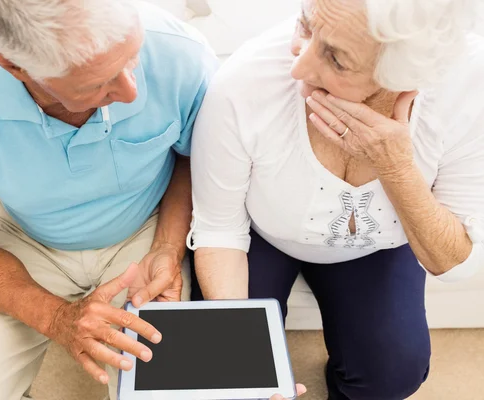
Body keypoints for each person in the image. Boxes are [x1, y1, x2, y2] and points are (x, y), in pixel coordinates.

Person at [0, 0, 218, 399]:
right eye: (97, 83)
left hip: (148, 228)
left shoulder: (182, 53)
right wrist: (56, 318)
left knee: (166, 392)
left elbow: (195, 159)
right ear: (14, 68)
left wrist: (169, 248)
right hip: (23, 241)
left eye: (133, 57)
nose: (130, 91)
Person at [188, 0, 484, 399]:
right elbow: (218, 229)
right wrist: (243, 362)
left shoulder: (467, 89)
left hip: (381, 244)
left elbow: (453, 263)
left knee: (394, 372)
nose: (299, 68)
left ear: (404, 78)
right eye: (306, 26)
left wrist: (396, 168)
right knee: (219, 364)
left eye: (337, 60)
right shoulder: (244, 84)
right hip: (258, 237)